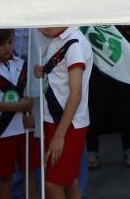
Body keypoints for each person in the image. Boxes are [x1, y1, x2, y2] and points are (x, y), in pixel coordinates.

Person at [0, 29, 38, 199]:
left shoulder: (22, 64)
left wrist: (31, 113)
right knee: (4, 176)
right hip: (1, 133)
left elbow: (31, 94)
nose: (6, 47)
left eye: (10, 42)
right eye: (0, 44)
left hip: (25, 129)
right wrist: (20, 106)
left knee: (29, 172)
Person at [34, 26, 93, 199]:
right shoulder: (58, 39)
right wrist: (44, 71)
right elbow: (61, 77)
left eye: (45, 23)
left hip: (68, 124)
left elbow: (75, 94)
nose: (40, 29)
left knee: (53, 183)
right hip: (58, 120)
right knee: (68, 180)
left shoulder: (74, 43)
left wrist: (60, 135)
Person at [86, 24, 130, 170]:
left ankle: (129, 147)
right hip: (95, 46)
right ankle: (91, 150)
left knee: (125, 102)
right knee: (94, 103)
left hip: (122, 47)